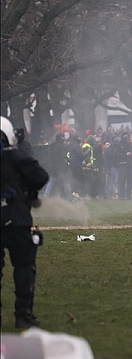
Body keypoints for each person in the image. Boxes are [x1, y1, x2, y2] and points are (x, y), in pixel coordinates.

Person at [1, 116, 49, 328]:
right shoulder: (15, 156)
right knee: (24, 265)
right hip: (16, 218)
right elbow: (40, 176)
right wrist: (27, 190)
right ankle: (23, 315)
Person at [114, 132, 132, 200]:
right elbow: (116, 154)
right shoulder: (119, 145)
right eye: (124, 136)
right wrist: (125, 154)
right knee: (122, 180)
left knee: (130, 181)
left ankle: (128, 195)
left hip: (130, 165)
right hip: (122, 165)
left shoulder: (131, 144)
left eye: (127, 136)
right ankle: (121, 195)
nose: (126, 137)